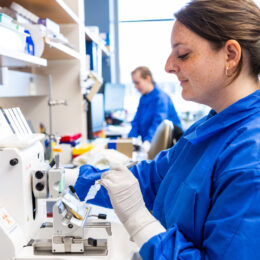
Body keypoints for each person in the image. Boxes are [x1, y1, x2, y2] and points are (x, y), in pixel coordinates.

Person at [74, 0, 260, 258]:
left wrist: (140, 222)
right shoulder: (209, 126)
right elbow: (151, 179)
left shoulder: (251, 160)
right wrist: (73, 180)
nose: (168, 66)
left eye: (182, 54)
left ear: (230, 54)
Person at [128, 66, 182, 149]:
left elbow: (158, 122)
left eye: (137, 83)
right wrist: (131, 139)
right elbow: (136, 121)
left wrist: (147, 141)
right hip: (150, 143)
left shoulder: (161, 97)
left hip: (165, 145)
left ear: (148, 78)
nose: (135, 87)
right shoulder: (143, 98)